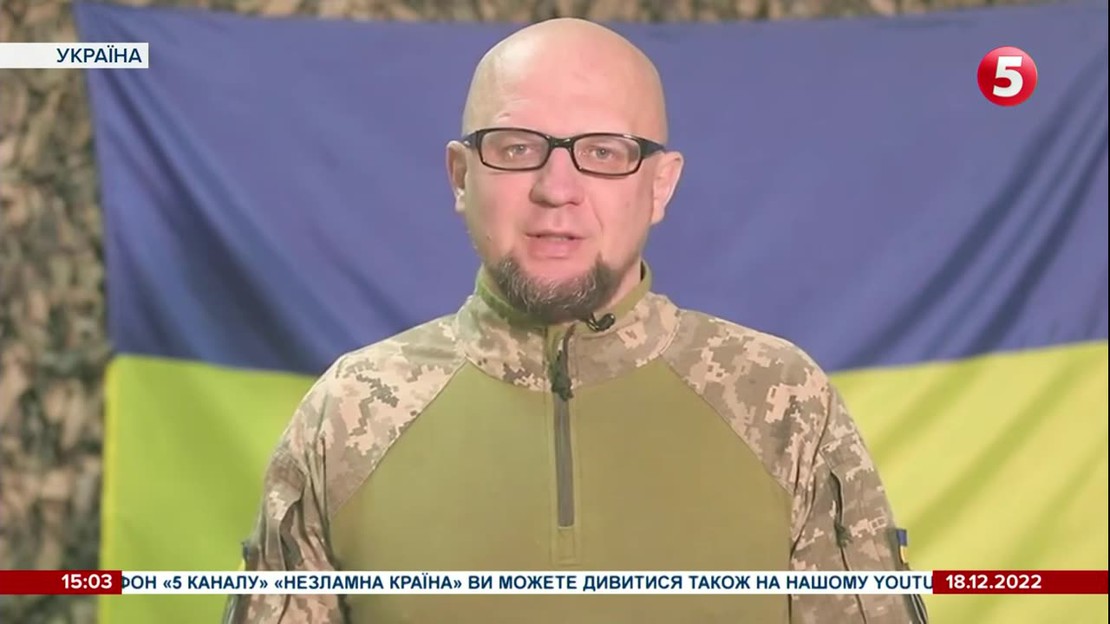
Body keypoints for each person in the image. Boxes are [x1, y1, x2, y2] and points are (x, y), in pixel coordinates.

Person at [223, 17, 926, 624]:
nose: (557, 189)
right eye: (516, 147)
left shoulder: (784, 403)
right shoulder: (347, 414)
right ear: (461, 177)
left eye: (603, 152)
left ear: (660, 186)